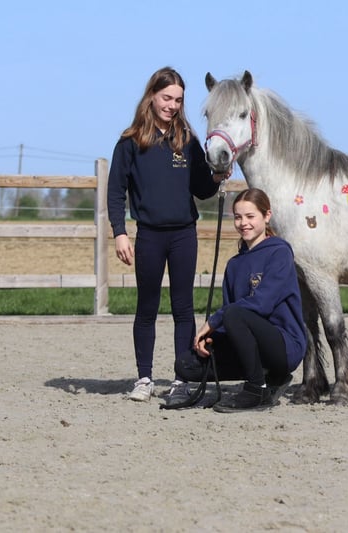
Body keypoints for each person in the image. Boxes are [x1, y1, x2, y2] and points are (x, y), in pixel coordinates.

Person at [107, 66, 225, 403]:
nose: (172, 105)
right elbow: (115, 191)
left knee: (183, 308)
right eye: (166, 98)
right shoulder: (130, 142)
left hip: (183, 235)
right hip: (149, 236)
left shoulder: (187, 140)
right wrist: (120, 233)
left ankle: (181, 378)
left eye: (178, 100)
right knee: (146, 307)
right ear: (152, 96)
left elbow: (201, 188)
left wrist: (217, 178)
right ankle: (144, 378)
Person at [175, 188, 306, 412]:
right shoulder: (234, 265)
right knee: (186, 364)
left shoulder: (280, 253)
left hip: (283, 345)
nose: (243, 223)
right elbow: (230, 314)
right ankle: (267, 378)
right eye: (238, 217)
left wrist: (213, 321)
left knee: (234, 313)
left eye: (250, 216)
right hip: (248, 341)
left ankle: (257, 390)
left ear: (267, 216)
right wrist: (212, 338)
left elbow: (260, 304)